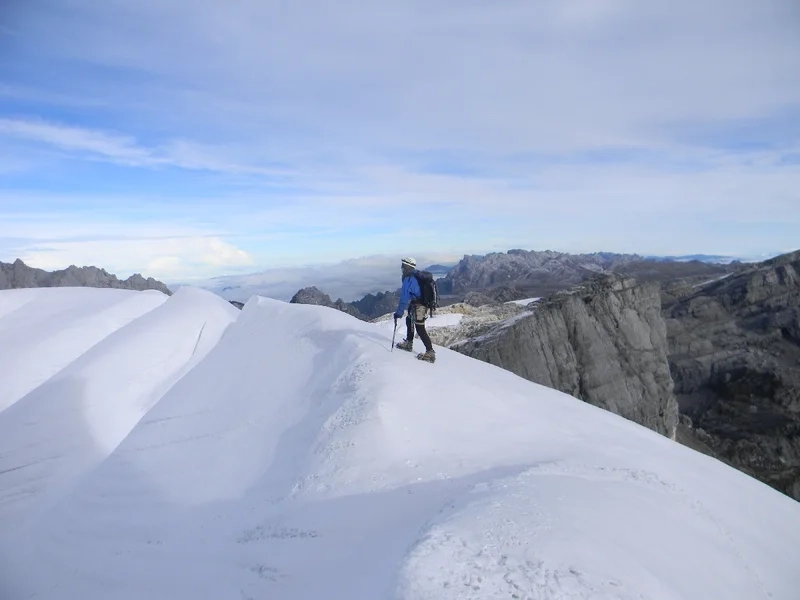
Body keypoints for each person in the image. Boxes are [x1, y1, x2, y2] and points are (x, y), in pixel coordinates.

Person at [394, 257, 436, 363]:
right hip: (420, 304)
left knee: (420, 328)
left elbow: (404, 299)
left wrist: (399, 313)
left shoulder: (408, 279)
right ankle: (409, 342)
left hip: (419, 306)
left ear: (407, 267)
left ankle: (430, 352)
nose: (402, 268)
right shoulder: (417, 275)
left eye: (403, 266)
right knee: (409, 320)